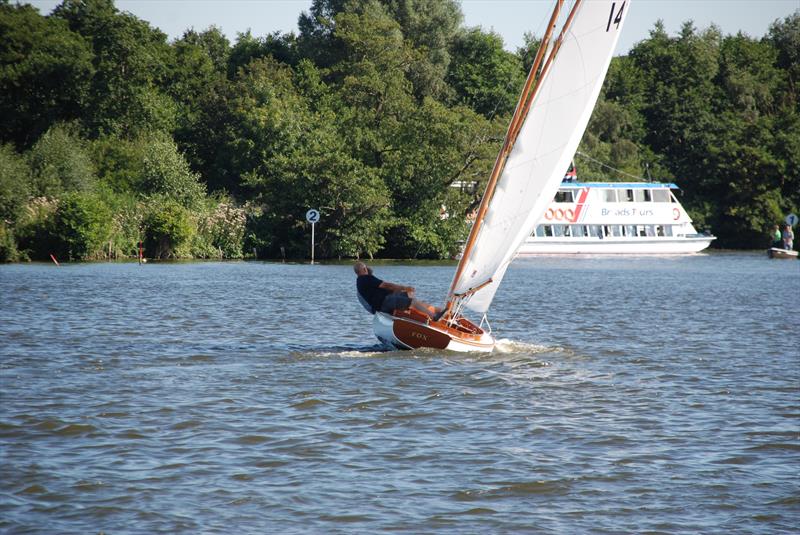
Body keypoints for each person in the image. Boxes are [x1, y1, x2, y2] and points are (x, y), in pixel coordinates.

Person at [354, 262, 443, 320]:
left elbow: (385, 289)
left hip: (384, 301)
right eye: (366, 268)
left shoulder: (361, 281)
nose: (368, 269)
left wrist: (405, 291)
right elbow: (387, 285)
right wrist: (404, 287)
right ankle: (434, 316)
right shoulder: (365, 278)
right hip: (384, 303)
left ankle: (435, 310)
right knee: (413, 302)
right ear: (364, 269)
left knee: (409, 294)